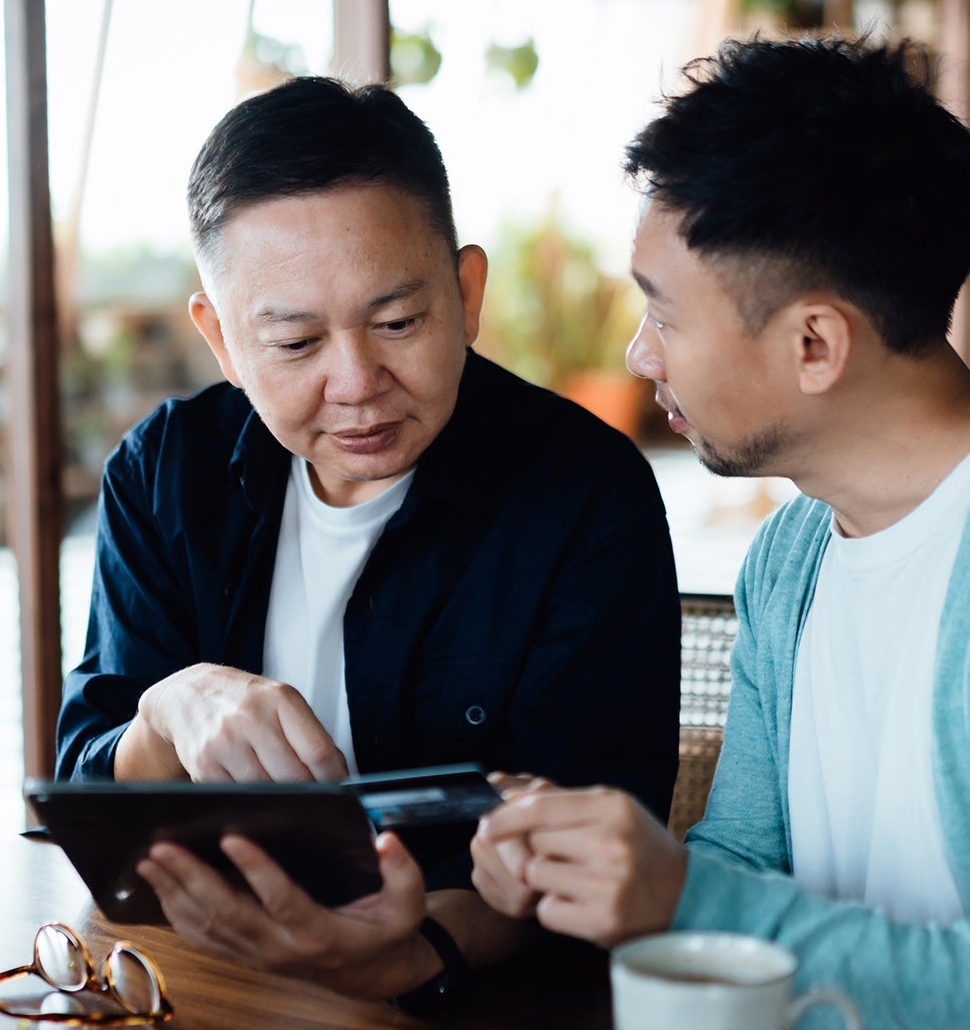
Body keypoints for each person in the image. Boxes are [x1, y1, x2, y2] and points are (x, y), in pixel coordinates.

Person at [473, 37, 970, 1026]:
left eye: (665, 316)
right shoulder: (792, 557)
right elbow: (742, 863)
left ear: (815, 343)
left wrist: (680, 896)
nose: (641, 354)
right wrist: (586, 876)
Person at [55, 76, 681, 1006]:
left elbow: (589, 857)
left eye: (397, 322)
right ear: (222, 341)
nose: (356, 382)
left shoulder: (584, 496)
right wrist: (166, 714)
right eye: (297, 343)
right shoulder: (165, 475)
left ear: (467, 293)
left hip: (465, 995)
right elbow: (89, 796)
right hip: (199, 978)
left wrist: (406, 954)